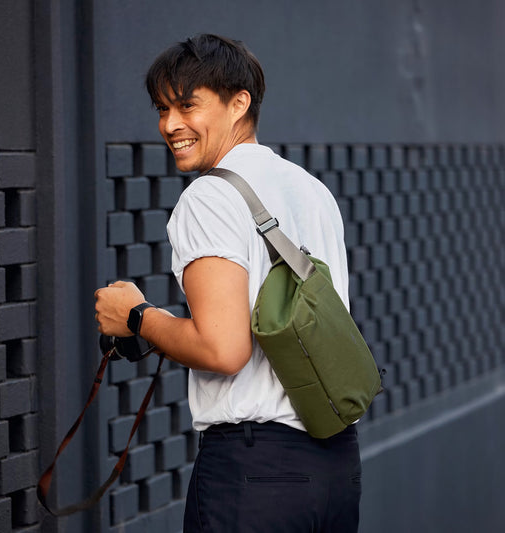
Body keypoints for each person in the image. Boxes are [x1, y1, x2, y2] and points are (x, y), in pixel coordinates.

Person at [95, 34, 361, 532]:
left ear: (239, 103)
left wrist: (136, 316)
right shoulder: (311, 189)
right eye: (162, 109)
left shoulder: (209, 197)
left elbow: (223, 349)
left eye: (187, 105)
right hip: (335, 465)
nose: (170, 125)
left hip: (254, 474)